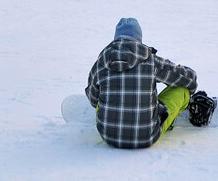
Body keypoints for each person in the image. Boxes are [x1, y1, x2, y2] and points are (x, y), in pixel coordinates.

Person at [85, 18, 199, 149]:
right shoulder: (150, 61)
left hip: (108, 136)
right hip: (147, 136)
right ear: (139, 38)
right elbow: (189, 80)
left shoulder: (101, 62)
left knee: (100, 94)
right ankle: (168, 120)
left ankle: (111, 115)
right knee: (182, 90)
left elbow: (92, 98)